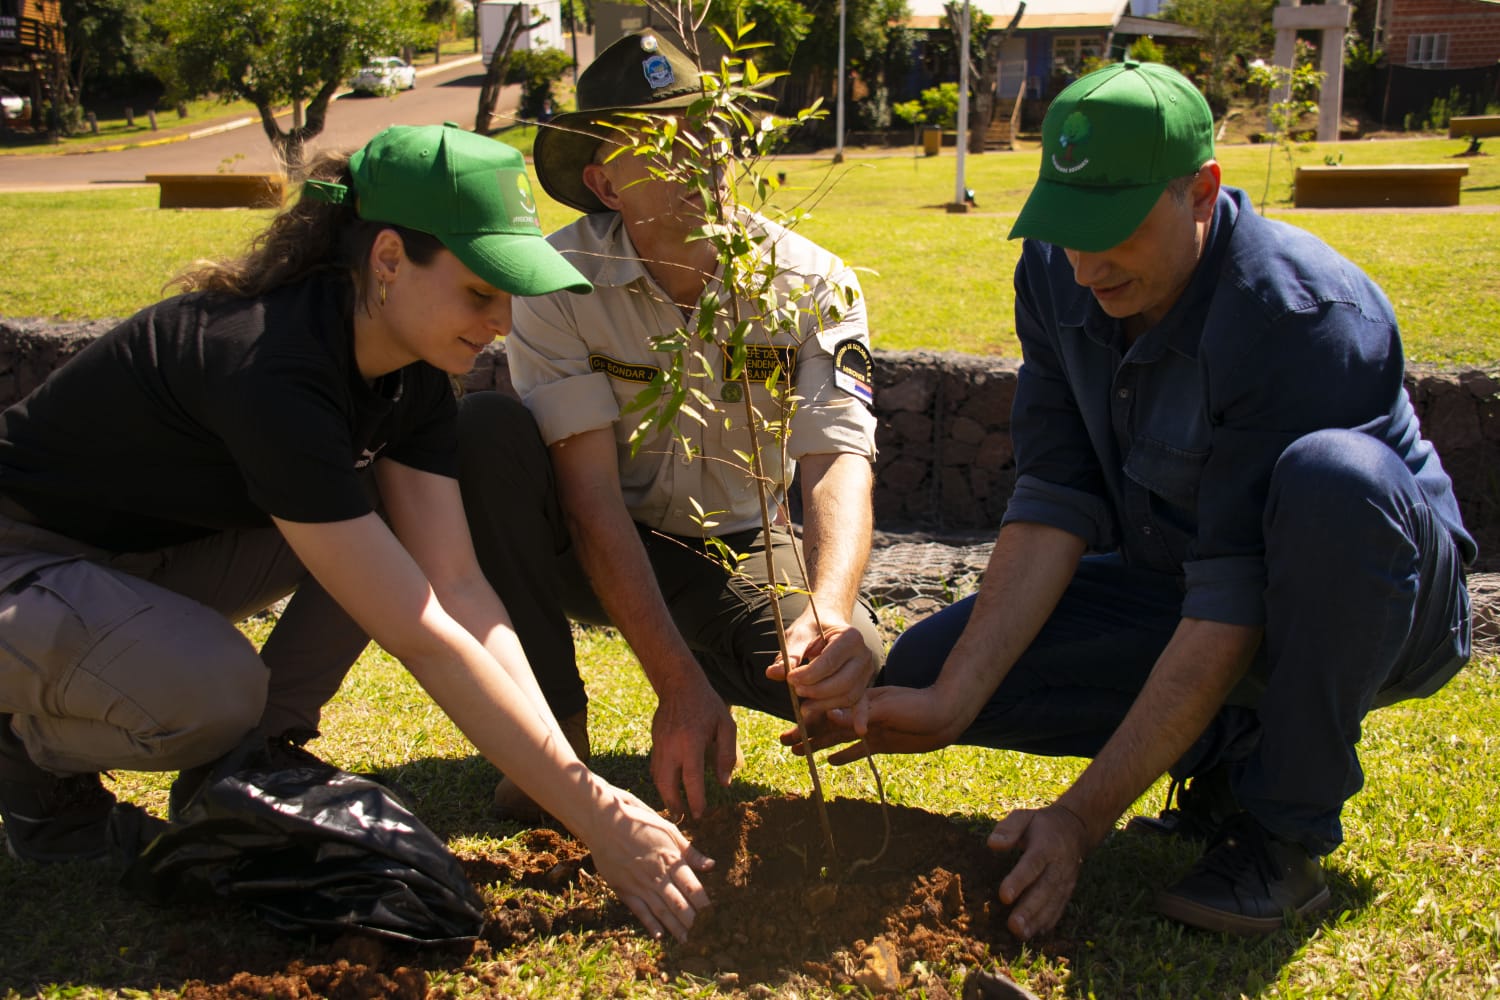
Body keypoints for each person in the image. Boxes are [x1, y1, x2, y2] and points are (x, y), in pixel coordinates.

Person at [798, 61, 1474, 938]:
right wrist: (956, 697)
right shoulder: (1055, 273)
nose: (1085, 265)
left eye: (1110, 229)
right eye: (1068, 227)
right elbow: (1056, 494)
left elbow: (1237, 596)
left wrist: (1080, 817)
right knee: (931, 671)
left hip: (1371, 599)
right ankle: (1225, 747)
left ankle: (1282, 834)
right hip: (1180, 575)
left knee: (1334, 480)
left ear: (1201, 192)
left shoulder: (1302, 318)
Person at [0, 123, 712, 943]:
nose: (503, 324)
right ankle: (25, 750)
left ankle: (250, 762)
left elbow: (458, 588)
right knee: (216, 690)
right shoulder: (271, 365)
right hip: (23, 564)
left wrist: (577, 785)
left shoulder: (411, 380)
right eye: (481, 292)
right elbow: (419, 630)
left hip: (124, 566)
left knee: (377, 529)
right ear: (386, 261)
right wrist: (594, 815)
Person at [458, 32, 885, 822]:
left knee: (846, 670)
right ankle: (554, 736)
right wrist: (676, 686)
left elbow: (838, 455)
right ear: (604, 184)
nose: (694, 158)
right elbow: (587, 498)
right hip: (584, 541)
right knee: (486, 434)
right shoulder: (554, 285)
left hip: (735, 543)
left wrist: (829, 609)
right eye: (656, 143)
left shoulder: (809, 281)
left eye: (705, 132)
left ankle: (749, 656)